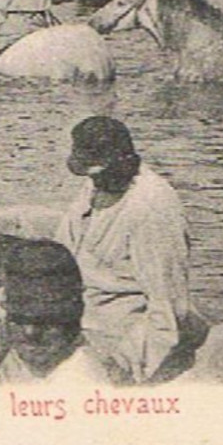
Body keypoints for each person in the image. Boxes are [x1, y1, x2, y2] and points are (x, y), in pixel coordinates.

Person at [54, 116, 207, 383]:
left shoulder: (150, 208)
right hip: (75, 322)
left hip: (121, 336)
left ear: (125, 162)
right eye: (89, 174)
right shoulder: (96, 183)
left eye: (100, 174)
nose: (94, 182)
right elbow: (63, 251)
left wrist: (124, 368)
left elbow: (168, 311)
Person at [0, 240, 116, 385]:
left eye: (45, 321)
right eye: (18, 319)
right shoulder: (2, 360)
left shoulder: (83, 377)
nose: (30, 332)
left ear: (74, 318)